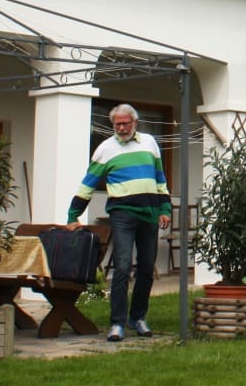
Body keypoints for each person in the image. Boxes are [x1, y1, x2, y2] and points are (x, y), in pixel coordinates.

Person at [67, 103, 171, 340]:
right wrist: (73, 215)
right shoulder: (105, 149)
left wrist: (165, 208)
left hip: (149, 213)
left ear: (135, 123)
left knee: (146, 268)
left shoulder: (149, 143)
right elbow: (88, 183)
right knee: (122, 266)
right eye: (117, 124)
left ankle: (138, 317)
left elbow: (160, 178)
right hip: (122, 214)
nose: (122, 128)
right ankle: (117, 323)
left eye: (125, 123)